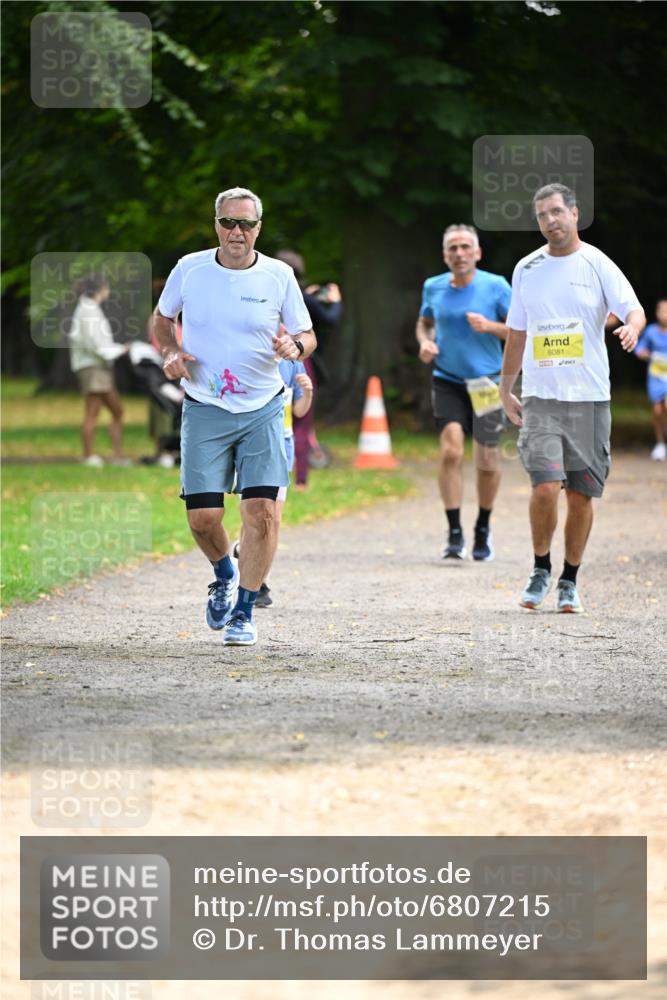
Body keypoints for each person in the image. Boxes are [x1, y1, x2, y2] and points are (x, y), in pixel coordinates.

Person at [152, 186, 316, 646]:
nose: (237, 232)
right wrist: (169, 350)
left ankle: (245, 610)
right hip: (205, 406)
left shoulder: (278, 275)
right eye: (228, 222)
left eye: (246, 223)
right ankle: (224, 573)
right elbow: (162, 318)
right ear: (216, 225)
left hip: (263, 406)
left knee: (261, 513)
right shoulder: (190, 269)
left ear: (258, 228)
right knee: (203, 518)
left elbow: (307, 332)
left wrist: (295, 346)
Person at [500, 182, 645, 613]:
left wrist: (633, 327)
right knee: (545, 487)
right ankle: (541, 567)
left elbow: (632, 307)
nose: (550, 221)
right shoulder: (526, 268)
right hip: (542, 399)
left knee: (581, 494)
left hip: (590, 398)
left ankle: (569, 579)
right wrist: (506, 387)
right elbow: (518, 332)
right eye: (542, 215)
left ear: (575, 213)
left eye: (557, 212)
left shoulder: (597, 263)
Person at [416, 224, 511, 561]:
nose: (459, 253)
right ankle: (454, 531)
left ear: (477, 253)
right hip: (448, 380)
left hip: (487, 382)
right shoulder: (434, 286)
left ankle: (483, 527)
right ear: (445, 255)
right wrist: (426, 342)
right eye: (453, 248)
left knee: (486, 459)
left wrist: (491, 327)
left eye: (465, 247)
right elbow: (425, 322)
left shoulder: (496, 286)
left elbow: (518, 330)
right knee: (452, 452)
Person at [233, 357, 313, 607]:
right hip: (250, 444)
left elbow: (299, 410)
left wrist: (307, 392)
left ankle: (260, 582)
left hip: (282, 445)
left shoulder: (292, 361)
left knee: (274, 518)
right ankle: (245, 554)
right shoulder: (245, 351)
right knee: (254, 513)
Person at [275, 250, 342, 488]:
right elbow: (330, 320)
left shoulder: (267, 295)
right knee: (301, 419)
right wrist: (336, 301)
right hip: (298, 359)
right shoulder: (303, 298)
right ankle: (301, 479)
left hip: (267, 361)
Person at [68, 274, 129, 467]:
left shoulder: (89, 309)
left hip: (97, 367)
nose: (108, 292)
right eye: (107, 288)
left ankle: (116, 456)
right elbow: (96, 344)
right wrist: (120, 349)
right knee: (95, 412)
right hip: (94, 368)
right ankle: (89, 456)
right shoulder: (88, 311)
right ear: (100, 290)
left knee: (116, 411)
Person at [634, 298, 667, 461]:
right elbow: (639, 347)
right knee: (657, 410)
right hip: (656, 376)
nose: (664, 314)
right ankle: (660, 443)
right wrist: (643, 353)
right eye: (662, 311)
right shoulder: (651, 331)